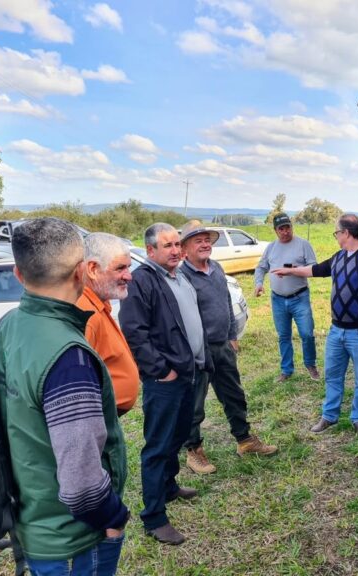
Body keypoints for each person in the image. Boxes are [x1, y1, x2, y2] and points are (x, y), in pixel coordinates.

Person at [0, 218, 129, 575]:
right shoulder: (68, 357)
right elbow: (82, 483)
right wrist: (113, 518)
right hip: (74, 539)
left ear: (19, 275)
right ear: (83, 272)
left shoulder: (9, 326)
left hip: (33, 521)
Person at [118, 223, 206, 546]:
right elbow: (133, 331)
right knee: (157, 446)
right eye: (167, 245)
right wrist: (161, 370)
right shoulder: (143, 281)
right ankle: (154, 517)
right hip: (165, 380)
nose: (175, 250)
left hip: (188, 373)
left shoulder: (179, 274)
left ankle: (169, 487)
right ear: (150, 251)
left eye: (176, 244)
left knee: (177, 435)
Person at [273, 214, 358, 436]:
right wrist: (290, 271)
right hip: (336, 330)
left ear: (346, 233)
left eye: (337, 232)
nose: (336, 236)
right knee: (333, 375)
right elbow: (315, 270)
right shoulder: (339, 257)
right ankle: (329, 416)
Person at [179, 220, 278, 474]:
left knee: (234, 394)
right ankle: (193, 451)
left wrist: (232, 334)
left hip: (222, 345)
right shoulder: (181, 276)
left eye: (206, 240)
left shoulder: (216, 268)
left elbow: (225, 301)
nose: (204, 244)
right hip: (197, 351)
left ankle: (245, 440)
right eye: (197, 240)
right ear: (185, 248)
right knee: (194, 403)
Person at [77, 232, 139, 416]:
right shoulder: (84, 313)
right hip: (98, 417)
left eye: (128, 267)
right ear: (93, 269)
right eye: (120, 268)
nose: (129, 276)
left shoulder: (97, 302)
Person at [254, 213, 319, 382]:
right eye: (281, 229)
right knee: (283, 336)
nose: (285, 231)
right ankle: (286, 370)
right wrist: (258, 283)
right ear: (275, 231)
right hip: (278, 299)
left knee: (306, 333)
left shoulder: (303, 245)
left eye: (287, 227)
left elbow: (314, 268)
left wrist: (294, 270)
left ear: (292, 226)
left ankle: (310, 364)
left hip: (300, 297)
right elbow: (261, 267)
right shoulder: (271, 247)